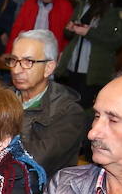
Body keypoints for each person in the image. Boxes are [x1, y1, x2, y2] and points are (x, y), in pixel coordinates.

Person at [7, 29, 86, 174]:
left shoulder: (69, 112)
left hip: (42, 192)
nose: (16, 70)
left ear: (48, 68)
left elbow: (33, 162)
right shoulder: (2, 98)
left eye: (28, 62)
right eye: (13, 60)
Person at [56, 0, 122, 104]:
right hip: (72, 64)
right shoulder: (84, 4)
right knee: (68, 106)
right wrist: (70, 28)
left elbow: (117, 41)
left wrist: (88, 32)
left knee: (87, 107)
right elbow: (67, 33)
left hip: (94, 68)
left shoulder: (117, 10)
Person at [7, 0, 73, 54]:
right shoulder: (28, 5)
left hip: (53, 55)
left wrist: (63, 56)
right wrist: (9, 52)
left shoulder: (65, 6)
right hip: (28, 52)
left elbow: (68, 36)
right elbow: (16, 30)